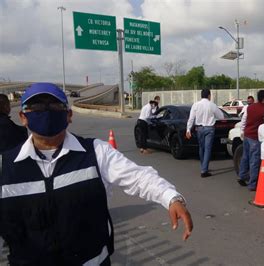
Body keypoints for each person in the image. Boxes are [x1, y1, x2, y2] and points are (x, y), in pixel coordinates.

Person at [0, 83, 192, 265]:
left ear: (69, 115)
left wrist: (171, 198)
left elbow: (138, 177)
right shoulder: (5, 167)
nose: (47, 111)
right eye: (37, 106)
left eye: (55, 106)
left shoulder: (95, 152)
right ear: (23, 116)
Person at [186, 89, 224, 178]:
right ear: (209, 95)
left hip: (199, 128)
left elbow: (191, 118)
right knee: (207, 149)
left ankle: (203, 166)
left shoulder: (195, 105)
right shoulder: (212, 105)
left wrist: (188, 130)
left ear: (201, 95)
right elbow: (221, 116)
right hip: (209, 128)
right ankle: (204, 170)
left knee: (201, 147)